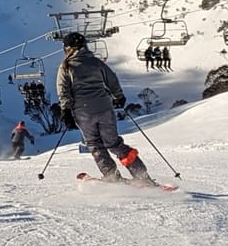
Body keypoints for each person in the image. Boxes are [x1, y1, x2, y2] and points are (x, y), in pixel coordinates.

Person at [56, 32, 159, 186]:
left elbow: (63, 91)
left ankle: (111, 175)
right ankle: (142, 175)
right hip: (104, 107)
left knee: (95, 144)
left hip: (83, 111)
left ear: (67, 48)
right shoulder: (96, 62)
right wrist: (119, 96)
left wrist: (66, 111)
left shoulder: (66, 66)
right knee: (114, 143)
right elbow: (112, 79)